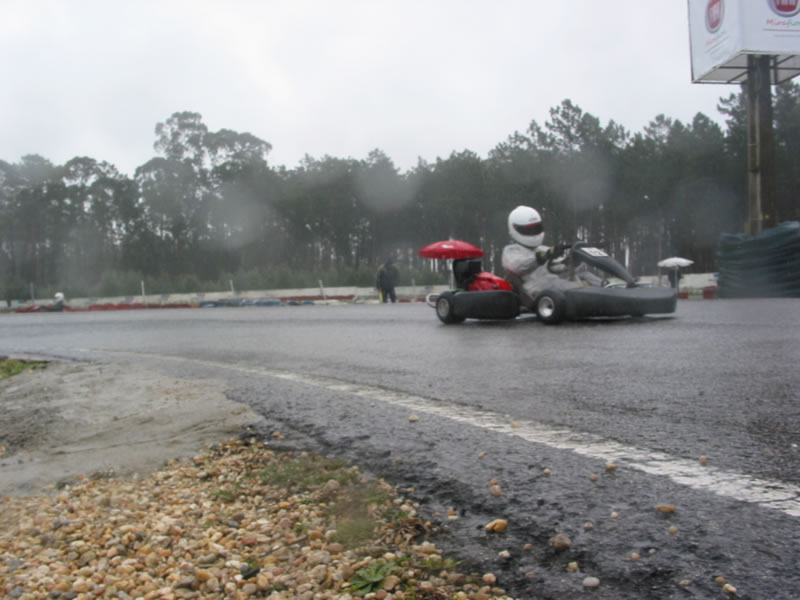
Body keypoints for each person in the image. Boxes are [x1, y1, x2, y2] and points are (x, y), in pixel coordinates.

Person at [501, 205, 570, 306]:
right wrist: (543, 257)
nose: (533, 233)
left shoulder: (542, 249)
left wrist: (568, 262)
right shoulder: (511, 251)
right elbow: (517, 266)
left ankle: (595, 295)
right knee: (559, 284)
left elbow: (556, 267)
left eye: (536, 228)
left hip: (551, 286)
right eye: (529, 230)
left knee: (585, 276)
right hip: (533, 290)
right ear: (515, 229)